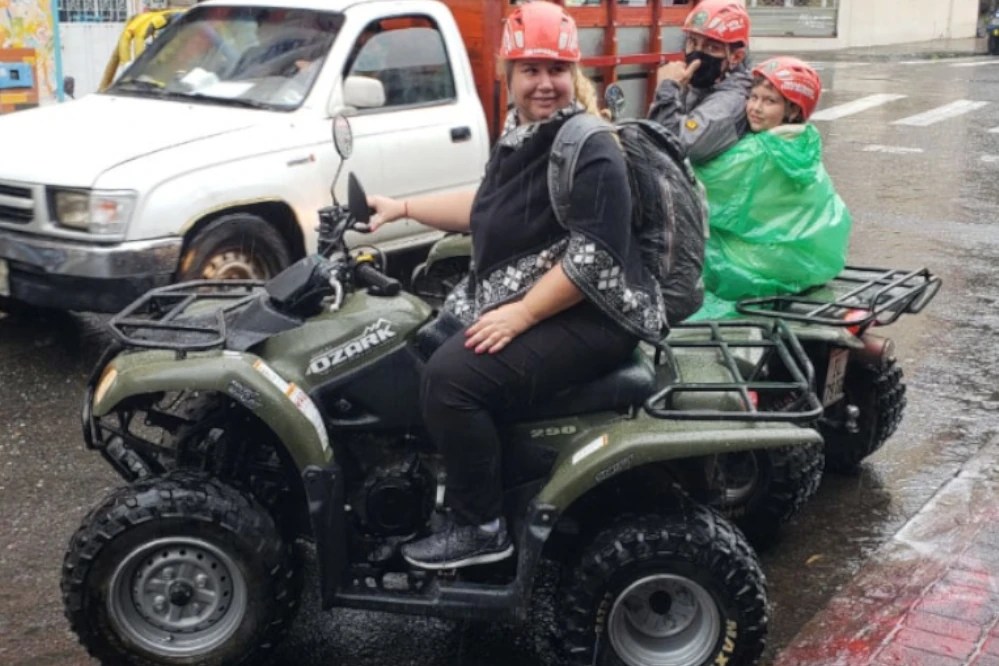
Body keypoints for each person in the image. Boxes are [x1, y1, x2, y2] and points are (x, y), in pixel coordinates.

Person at [366, 1, 668, 570]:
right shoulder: (524, 133)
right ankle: (469, 474)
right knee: (425, 340)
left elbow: (594, 258)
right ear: (509, 74)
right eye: (531, 70)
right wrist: (400, 207)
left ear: (574, 73)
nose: (544, 83)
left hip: (596, 315)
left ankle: (479, 525)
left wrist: (521, 315)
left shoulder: (589, 144)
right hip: (544, 297)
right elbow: (483, 210)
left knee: (451, 379)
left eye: (556, 69)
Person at [689, 56, 853, 320]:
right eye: (753, 97)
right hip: (811, 262)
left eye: (770, 101)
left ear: (793, 110)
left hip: (764, 268)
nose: (755, 108)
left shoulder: (757, 153)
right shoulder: (804, 143)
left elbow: (697, 180)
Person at [648, 0, 752, 165]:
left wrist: (668, 88)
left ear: (736, 57)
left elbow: (670, 146)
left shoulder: (730, 102)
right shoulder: (701, 86)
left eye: (712, 48)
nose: (696, 57)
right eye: (692, 43)